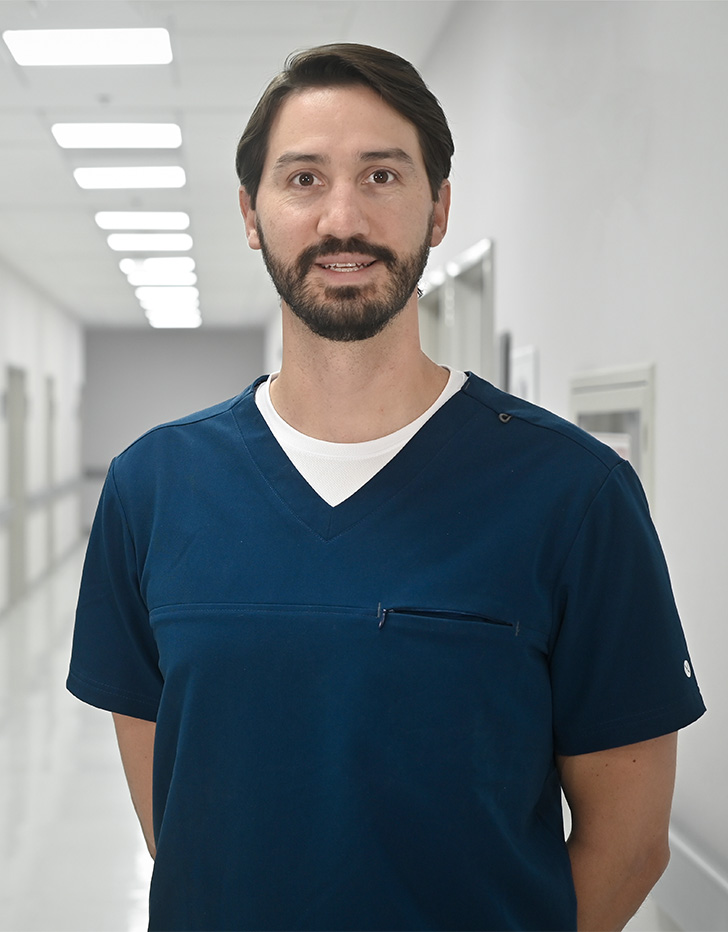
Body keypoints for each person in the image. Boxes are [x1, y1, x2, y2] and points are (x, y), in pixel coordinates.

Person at [67, 43, 705, 932]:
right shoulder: (153, 487)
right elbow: (177, 824)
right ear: (251, 214)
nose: (341, 219)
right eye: (302, 179)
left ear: (438, 208)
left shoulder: (575, 496)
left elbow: (631, 845)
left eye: (381, 174)